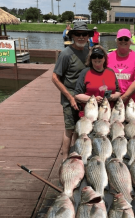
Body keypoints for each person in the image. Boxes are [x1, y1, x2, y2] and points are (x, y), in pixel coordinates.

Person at [52, 22, 94, 161]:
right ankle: (64, 158)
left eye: (84, 34)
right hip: (70, 97)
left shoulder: (88, 50)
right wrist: (70, 98)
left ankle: (77, 154)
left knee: (80, 128)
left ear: (88, 36)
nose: (81, 37)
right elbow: (55, 77)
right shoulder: (66, 54)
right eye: (78, 34)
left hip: (84, 97)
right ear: (73, 36)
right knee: (69, 129)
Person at [75, 45, 121, 116]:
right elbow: (77, 95)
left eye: (100, 56)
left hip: (108, 114)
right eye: (94, 56)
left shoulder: (111, 72)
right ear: (90, 59)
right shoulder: (85, 72)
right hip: (89, 114)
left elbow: (118, 92)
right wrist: (93, 99)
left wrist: (111, 97)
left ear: (104, 58)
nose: (97, 59)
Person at [107, 28, 135, 105]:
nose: (123, 41)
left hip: (130, 102)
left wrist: (125, 96)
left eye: (126, 39)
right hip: (112, 100)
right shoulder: (108, 57)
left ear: (130, 41)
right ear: (116, 41)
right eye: (120, 39)